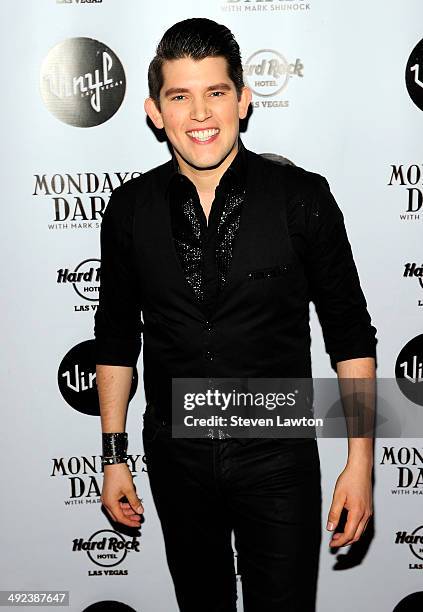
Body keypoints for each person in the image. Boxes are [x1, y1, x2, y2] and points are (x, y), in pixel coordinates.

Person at [94, 18, 377, 612]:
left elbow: (350, 334)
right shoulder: (128, 209)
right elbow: (116, 340)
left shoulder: (303, 197)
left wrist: (360, 463)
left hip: (277, 453)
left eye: (216, 93)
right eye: (180, 96)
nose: (200, 113)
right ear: (154, 111)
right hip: (176, 456)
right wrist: (114, 456)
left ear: (244, 101)